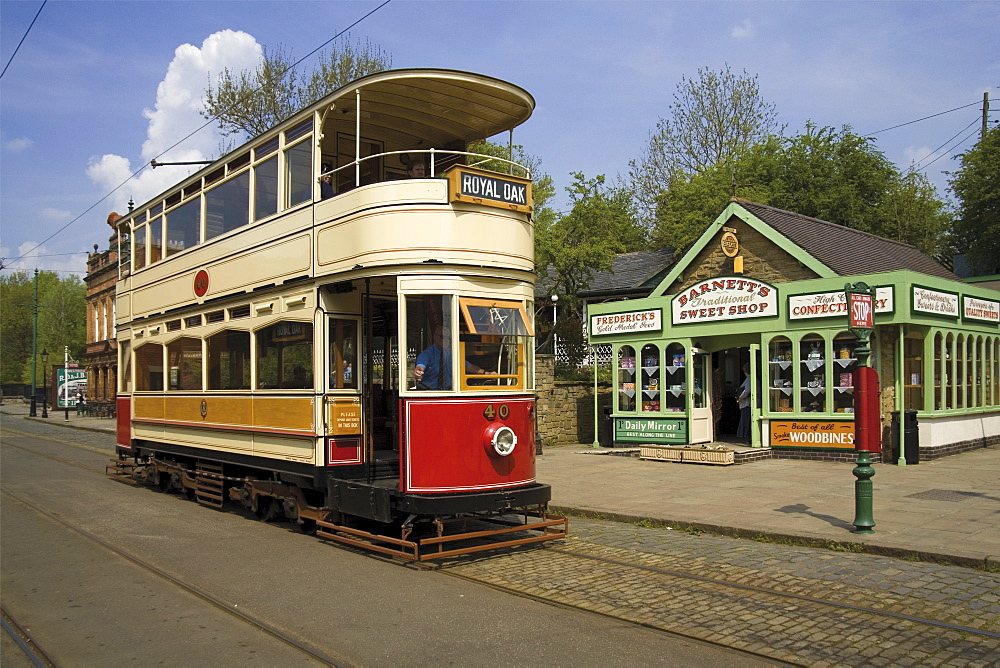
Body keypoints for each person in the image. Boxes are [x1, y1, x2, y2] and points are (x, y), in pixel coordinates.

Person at [413, 326, 490, 390]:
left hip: (449, 392)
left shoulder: (452, 354)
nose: (445, 340)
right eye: (442, 337)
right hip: (428, 393)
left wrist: (485, 373)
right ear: (434, 337)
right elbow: (420, 367)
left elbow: (468, 367)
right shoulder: (427, 354)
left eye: (447, 337)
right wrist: (418, 372)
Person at [736, 363, 751, 440]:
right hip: (747, 402)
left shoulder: (749, 379)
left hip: (746, 403)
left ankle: (744, 436)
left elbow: (747, 390)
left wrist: (741, 397)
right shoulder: (752, 379)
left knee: (745, 420)